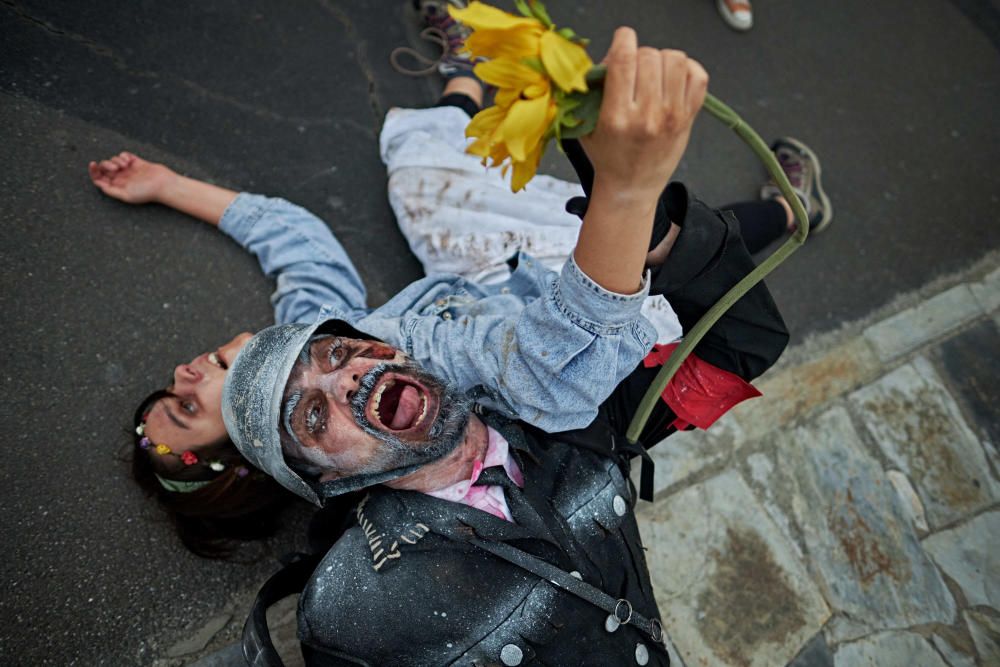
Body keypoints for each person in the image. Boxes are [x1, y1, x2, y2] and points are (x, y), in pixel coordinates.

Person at [101, 3, 829, 558]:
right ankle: (780, 216)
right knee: (655, 247)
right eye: (193, 406)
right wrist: (627, 194)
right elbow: (539, 370)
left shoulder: (346, 341)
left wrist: (164, 182)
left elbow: (298, 246)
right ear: (310, 474)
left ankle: (464, 75)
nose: (187, 373)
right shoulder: (431, 490)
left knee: (422, 182)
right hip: (604, 357)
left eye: (327, 354)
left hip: (499, 290)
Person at [223, 28, 792, 665]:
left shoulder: (573, 423)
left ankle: (789, 214)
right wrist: (624, 196)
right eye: (313, 416)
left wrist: (651, 225)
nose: (346, 380)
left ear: (383, 347)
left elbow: (739, 346)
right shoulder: (354, 617)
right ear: (325, 482)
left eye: (336, 354)